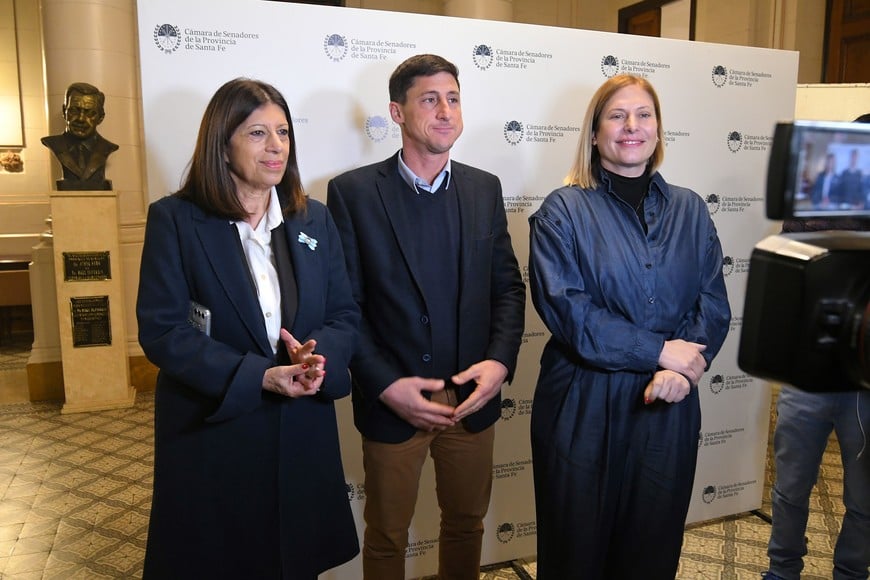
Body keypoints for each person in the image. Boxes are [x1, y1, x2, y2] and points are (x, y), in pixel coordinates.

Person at [137, 78, 360, 579]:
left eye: (282, 132)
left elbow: (345, 313)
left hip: (301, 434)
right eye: (258, 133)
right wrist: (259, 375)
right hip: (215, 435)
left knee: (295, 563)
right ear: (222, 143)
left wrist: (317, 357)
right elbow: (163, 330)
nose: (276, 145)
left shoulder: (314, 220)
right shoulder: (174, 220)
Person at [326, 54, 525, 579]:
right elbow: (346, 307)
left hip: (472, 400)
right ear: (397, 112)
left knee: (467, 524)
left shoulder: (485, 188)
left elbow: (507, 287)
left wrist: (499, 365)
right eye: (429, 99)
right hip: (395, 404)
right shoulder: (353, 194)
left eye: (453, 98)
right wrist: (385, 385)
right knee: (387, 535)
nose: (445, 111)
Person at [527, 73, 731, 579]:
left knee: (652, 549)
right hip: (582, 406)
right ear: (594, 134)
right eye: (616, 116)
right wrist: (661, 351)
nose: (631, 126)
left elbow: (712, 303)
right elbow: (569, 312)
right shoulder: (563, 211)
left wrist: (683, 371)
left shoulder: (690, 210)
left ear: (659, 130)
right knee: (577, 552)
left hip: (668, 406)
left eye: (644, 115)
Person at [761, 115, 870, 580]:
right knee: (790, 487)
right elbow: (789, 273)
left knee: (864, 497)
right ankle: (782, 571)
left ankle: (850, 573)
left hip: (864, 381)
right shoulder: (811, 203)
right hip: (806, 372)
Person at [40, 82, 119, 190]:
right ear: (64, 112)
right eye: (74, 111)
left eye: (90, 113)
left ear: (100, 117)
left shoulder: (107, 147)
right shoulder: (54, 144)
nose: (81, 119)